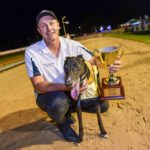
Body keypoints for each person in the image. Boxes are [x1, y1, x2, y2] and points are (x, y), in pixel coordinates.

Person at [25, 10, 121, 142]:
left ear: (58, 25)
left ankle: (70, 109)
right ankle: (63, 122)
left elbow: (94, 60)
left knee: (103, 106)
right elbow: (39, 85)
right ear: (39, 30)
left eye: (51, 23)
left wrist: (108, 64)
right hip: (51, 93)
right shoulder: (32, 52)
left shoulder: (73, 45)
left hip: (72, 89)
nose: (49, 28)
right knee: (57, 105)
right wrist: (69, 87)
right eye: (43, 26)